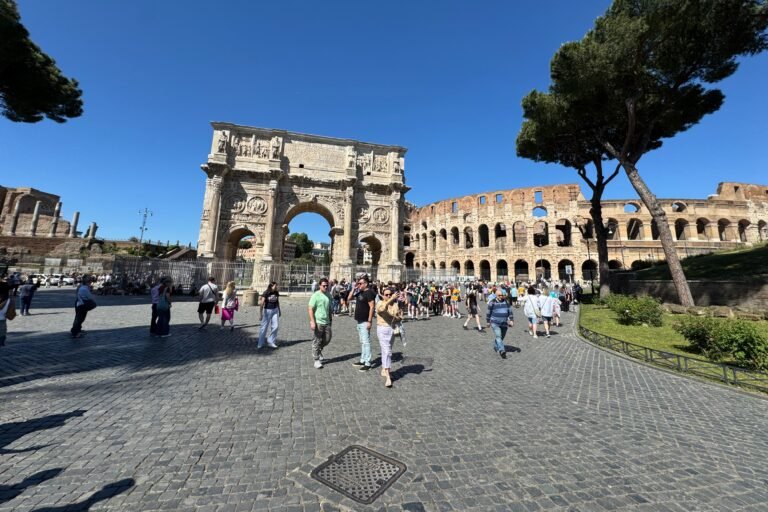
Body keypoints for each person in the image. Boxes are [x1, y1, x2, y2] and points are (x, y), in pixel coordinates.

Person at [376, 287, 402, 388]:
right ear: (383, 295)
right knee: (387, 352)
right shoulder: (380, 303)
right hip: (382, 329)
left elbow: (397, 317)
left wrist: (399, 317)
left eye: (390, 294)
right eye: (386, 295)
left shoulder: (395, 305)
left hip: (391, 329)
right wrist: (391, 300)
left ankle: (384, 368)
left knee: (386, 350)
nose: (388, 296)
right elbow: (381, 310)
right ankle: (388, 376)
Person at [352, 275, 376, 371]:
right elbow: (349, 298)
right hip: (359, 321)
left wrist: (370, 321)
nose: (359, 285)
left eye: (360, 283)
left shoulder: (369, 293)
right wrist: (353, 289)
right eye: (358, 283)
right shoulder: (359, 292)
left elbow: (372, 307)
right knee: (362, 342)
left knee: (366, 342)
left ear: (366, 284)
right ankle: (362, 360)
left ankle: (368, 363)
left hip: (365, 321)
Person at [308, 278, 332, 369]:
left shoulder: (329, 295)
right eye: (324, 285)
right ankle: (316, 359)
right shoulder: (316, 295)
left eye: (327, 285)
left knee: (327, 339)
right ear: (319, 286)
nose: (326, 287)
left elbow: (329, 308)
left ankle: (318, 350)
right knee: (317, 340)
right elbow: (310, 308)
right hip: (318, 322)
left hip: (327, 321)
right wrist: (312, 321)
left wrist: (330, 318)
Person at [486, 288, 514, 358]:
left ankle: (496, 345)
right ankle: (502, 350)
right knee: (498, 336)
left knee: (501, 337)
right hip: (495, 322)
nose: (501, 296)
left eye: (502, 295)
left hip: (504, 323)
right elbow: (488, 312)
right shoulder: (492, 302)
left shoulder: (506, 302)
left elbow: (510, 311)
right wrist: (488, 321)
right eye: (499, 295)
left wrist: (511, 320)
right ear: (496, 295)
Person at [258, 281, 280, 349]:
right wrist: (260, 314)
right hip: (267, 310)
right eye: (275, 286)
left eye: (276, 286)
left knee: (276, 326)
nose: (276, 287)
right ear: (271, 286)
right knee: (264, 327)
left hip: (275, 310)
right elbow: (262, 303)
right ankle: (260, 343)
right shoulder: (266, 292)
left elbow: (277, 301)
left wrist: (279, 310)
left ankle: (271, 341)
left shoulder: (276, 292)